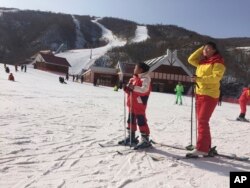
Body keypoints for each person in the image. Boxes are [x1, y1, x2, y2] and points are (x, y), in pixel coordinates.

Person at [186, 42, 226, 157]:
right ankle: (205, 146)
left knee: (203, 121)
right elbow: (190, 59)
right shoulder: (201, 62)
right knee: (202, 121)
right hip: (199, 93)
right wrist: (201, 49)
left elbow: (215, 78)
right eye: (205, 49)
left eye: (208, 49)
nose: (206, 51)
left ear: (214, 50)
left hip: (210, 94)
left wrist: (199, 79)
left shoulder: (218, 62)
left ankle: (202, 148)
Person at [118, 62, 152, 149]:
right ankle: (131, 137)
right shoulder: (133, 79)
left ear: (141, 70)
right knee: (130, 120)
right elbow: (130, 91)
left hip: (139, 104)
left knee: (141, 121)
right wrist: (125, 87)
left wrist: (133, 87)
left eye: (135, 67)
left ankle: (145, 140)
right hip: (131, 103)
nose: (134, 69)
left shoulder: (145, 79)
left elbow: (144, 90)